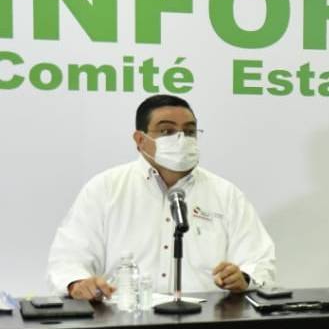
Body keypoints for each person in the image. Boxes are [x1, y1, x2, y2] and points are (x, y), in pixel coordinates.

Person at [47, 95, 277, 300]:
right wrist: (78, 283)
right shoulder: (105, 189)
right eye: (167, 131)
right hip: (124, 319)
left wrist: (243, 277)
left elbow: (259, 260)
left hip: (206, 320)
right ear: (140, 139)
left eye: (189, 131)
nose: (181, 139)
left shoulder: (226, 194)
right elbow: (69, 257)